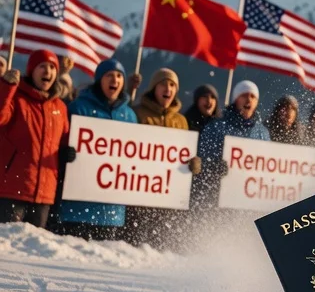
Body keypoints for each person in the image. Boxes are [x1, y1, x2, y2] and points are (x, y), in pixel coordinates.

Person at [52, 59, 138, 240]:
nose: (115, 80)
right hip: (76, 209)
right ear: (99, 79)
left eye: (119, 76)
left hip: (112, 212)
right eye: (109, 75)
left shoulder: (129, 116)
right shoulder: (79, 107)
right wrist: (64, 153)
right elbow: (57, 140)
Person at [127, 68, 201, 248]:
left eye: (172, 85)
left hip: (167, 198)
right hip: (138, 196)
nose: (168, 88)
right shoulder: (137, 113)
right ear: (154, 88)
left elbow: (185, 154)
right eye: (163, 84)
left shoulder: (181, 121)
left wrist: (194, 164)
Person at [0, 50, 70, 230]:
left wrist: (66, 153)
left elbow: (64, 140)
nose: (48, 71)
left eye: (52, 67)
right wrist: (5, 87)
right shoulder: (16, 97)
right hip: (12, 189)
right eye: (42, 66)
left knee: (33, 249)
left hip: (44, 193)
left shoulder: (60, 107)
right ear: (31, 70)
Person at [194, 81, 271, 213]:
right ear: (236, 99)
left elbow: (269, 163)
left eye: (253, 97)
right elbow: (203, 155)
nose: (248, 100)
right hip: (219, 197)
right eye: (244, 95)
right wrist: (214, 166)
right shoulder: (217, 126)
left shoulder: (262, 132)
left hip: (249, 199)